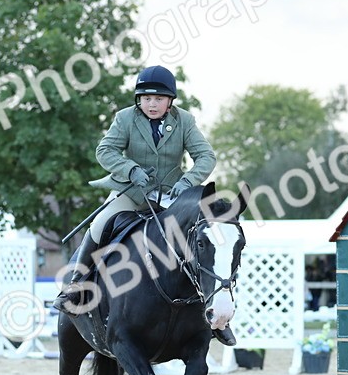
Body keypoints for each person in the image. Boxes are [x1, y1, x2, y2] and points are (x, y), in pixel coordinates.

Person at [52, 66, 232, 344]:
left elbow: (206, 157)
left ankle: (213, 316)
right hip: (132, 193)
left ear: (170, 100)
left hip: (172, 196)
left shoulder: (184, 121)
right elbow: (105, 151)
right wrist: (129, 169)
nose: (151, 104)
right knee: (99, 225)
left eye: (158, 99)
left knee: (198, 238)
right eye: (146, 98)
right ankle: (76, 287)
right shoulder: (125, 118)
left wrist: (187, 182)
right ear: (139, 99)